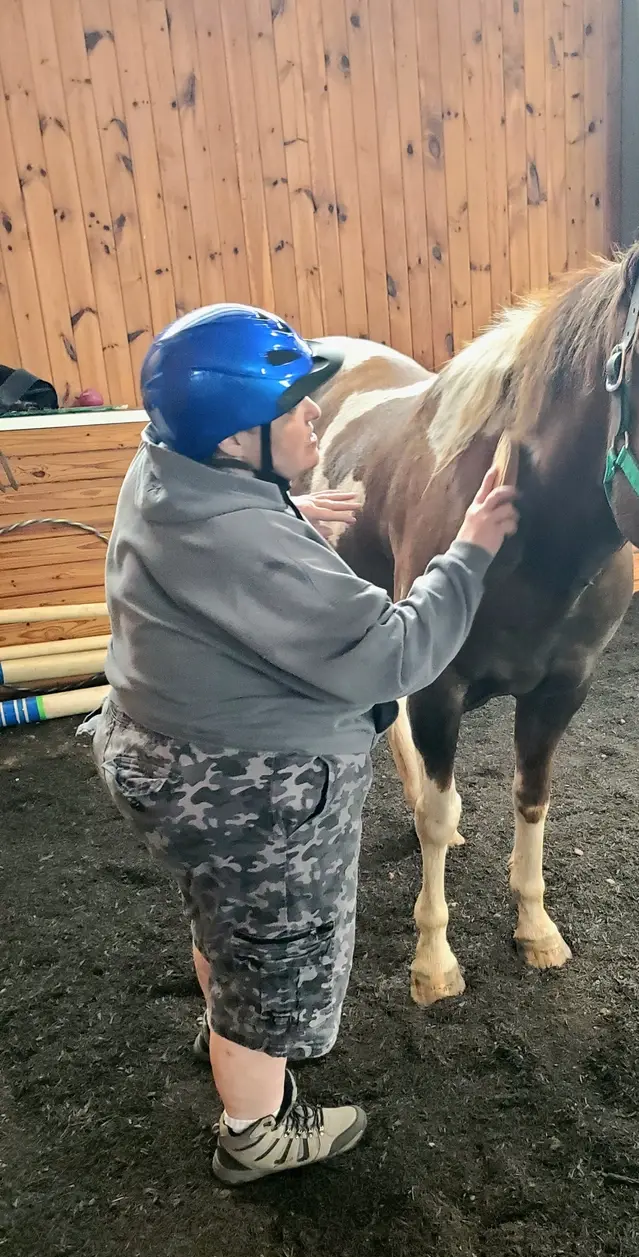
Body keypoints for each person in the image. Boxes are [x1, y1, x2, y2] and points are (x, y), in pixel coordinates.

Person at [79, 303, 518, 1185]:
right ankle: (254, 1129)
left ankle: (228, 1016)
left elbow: (229, 533)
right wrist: (469, 551)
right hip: (248, 788)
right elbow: (397, 652)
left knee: (227, 920)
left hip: (155, 754)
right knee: (276, 953)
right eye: (292, 409)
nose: (316, 413)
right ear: (237, 441)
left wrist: (283, 503)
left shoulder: (167, 471)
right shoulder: (249, 542)